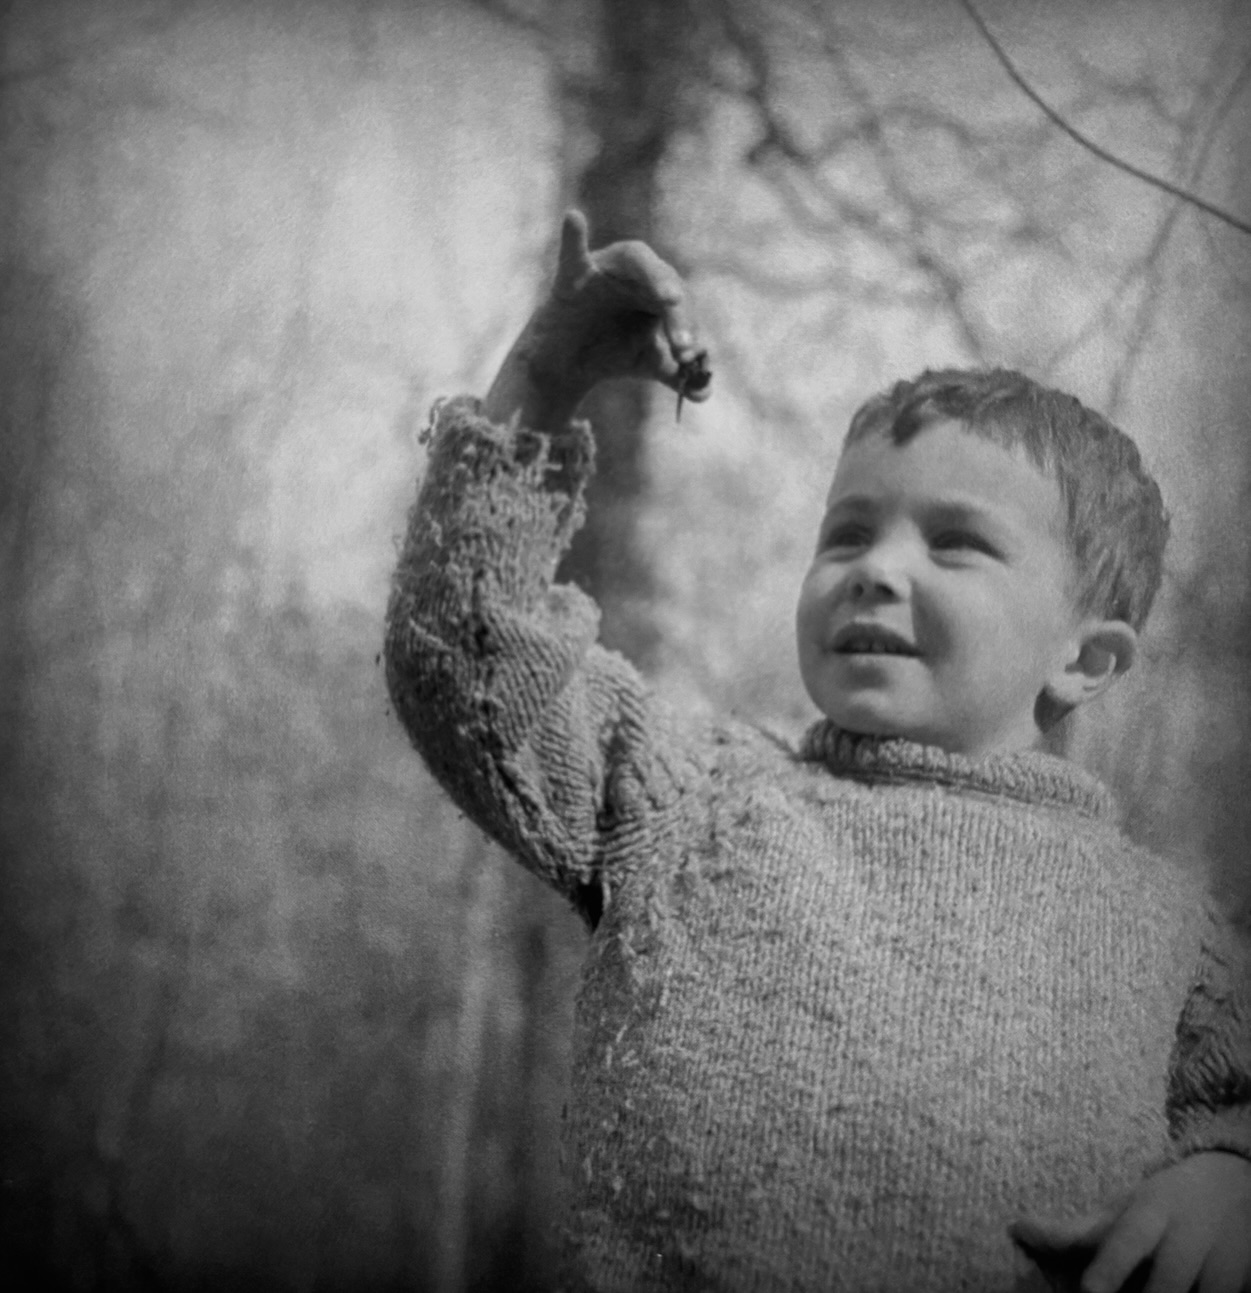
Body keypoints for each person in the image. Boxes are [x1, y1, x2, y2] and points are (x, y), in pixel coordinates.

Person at [384, 211, 1251, 1291]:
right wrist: (541, 381)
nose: (873, 568)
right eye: (846, 532)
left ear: (1084, 658)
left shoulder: (1171, 933)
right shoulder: (684, 795)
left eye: (955, 543)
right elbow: (469, 661)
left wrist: (1227, 1177)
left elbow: (1233, 1113)